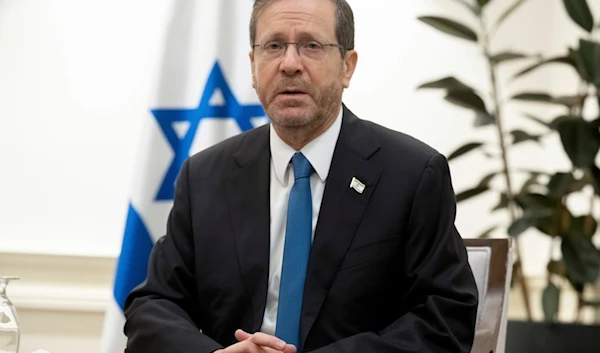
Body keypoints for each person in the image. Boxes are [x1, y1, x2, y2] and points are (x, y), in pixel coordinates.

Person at [123, 0, 479, 352]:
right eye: (273, 46)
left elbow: (444, 318)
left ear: (347, 66)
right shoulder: (204, 176)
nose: (289, 64)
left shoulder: (412, 175)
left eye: (311, 45)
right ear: (253, 65)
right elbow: (152, 306)